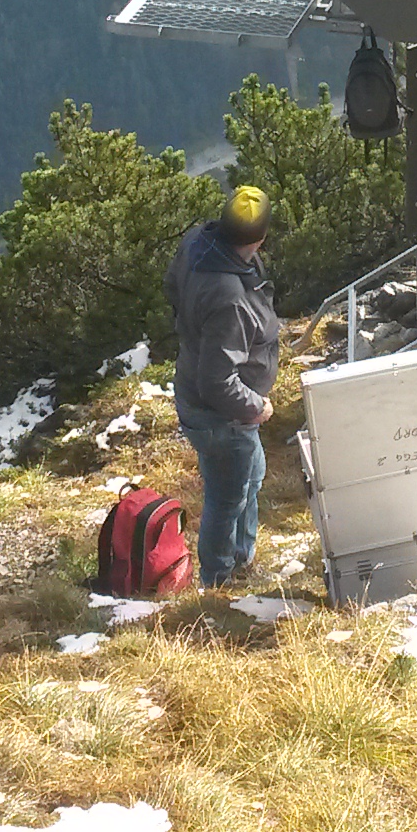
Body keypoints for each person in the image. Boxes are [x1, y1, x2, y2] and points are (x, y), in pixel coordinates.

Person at [167, 183, 279, 590]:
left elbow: (171, 288)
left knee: (251, 477)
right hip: (220, 415)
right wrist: (256, 406)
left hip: (205, 397)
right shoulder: (229, 297)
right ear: (261, 237)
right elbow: (218, 383)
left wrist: (195, 334)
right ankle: (219, 580)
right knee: (227, 496)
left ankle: (241, 560)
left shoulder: (199, 242)